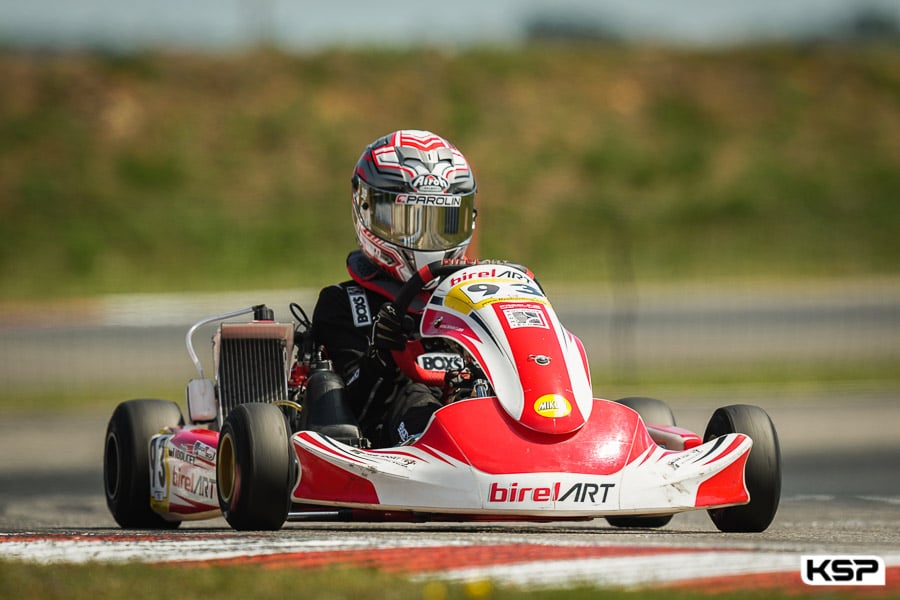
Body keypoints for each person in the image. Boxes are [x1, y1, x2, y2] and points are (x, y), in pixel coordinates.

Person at [311, 130, 478, 448]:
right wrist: (381, 355)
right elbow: (351, 406)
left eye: (443, 223)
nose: (428, 239)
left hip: (473, 416)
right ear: (368, 212)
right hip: (389, 441)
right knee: (415, 395)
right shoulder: (343, 304)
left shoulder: (468, 299)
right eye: (410, 221)